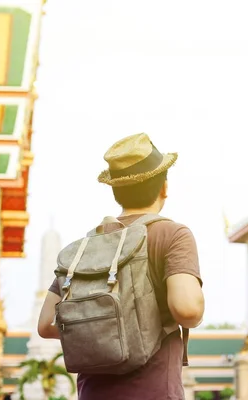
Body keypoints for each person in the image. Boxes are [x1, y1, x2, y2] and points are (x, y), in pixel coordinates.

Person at [37, 133, 205, 400]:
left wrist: (104, 329)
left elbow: (46, 324)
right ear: (164, 187)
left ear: (116, 191)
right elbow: (188, 309)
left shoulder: (86, 246)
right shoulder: (172, 235)